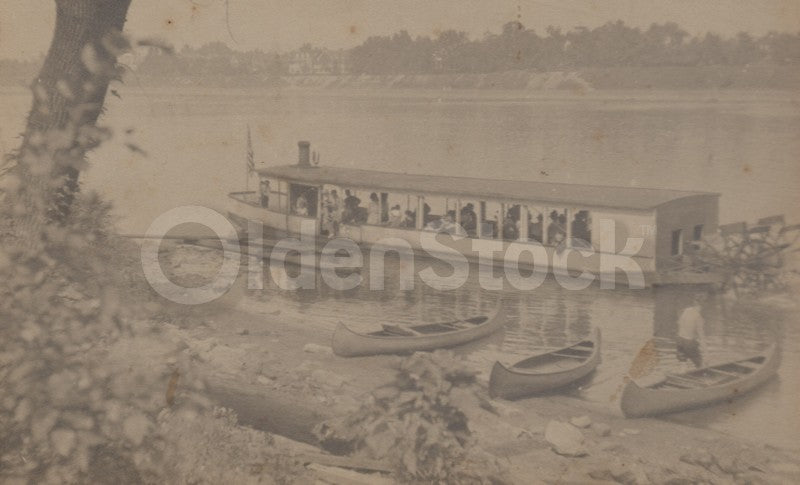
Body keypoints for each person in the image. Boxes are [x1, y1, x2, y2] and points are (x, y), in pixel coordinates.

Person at [676, 292, 707, 367]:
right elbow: (701, 336)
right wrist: (706, 353)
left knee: (683, 364)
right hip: (689, 343)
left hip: (680, 340)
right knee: (700, 365)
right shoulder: (698, 317)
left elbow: (679, 323)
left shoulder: (686, 310)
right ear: (703, 305)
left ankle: (680, 375)